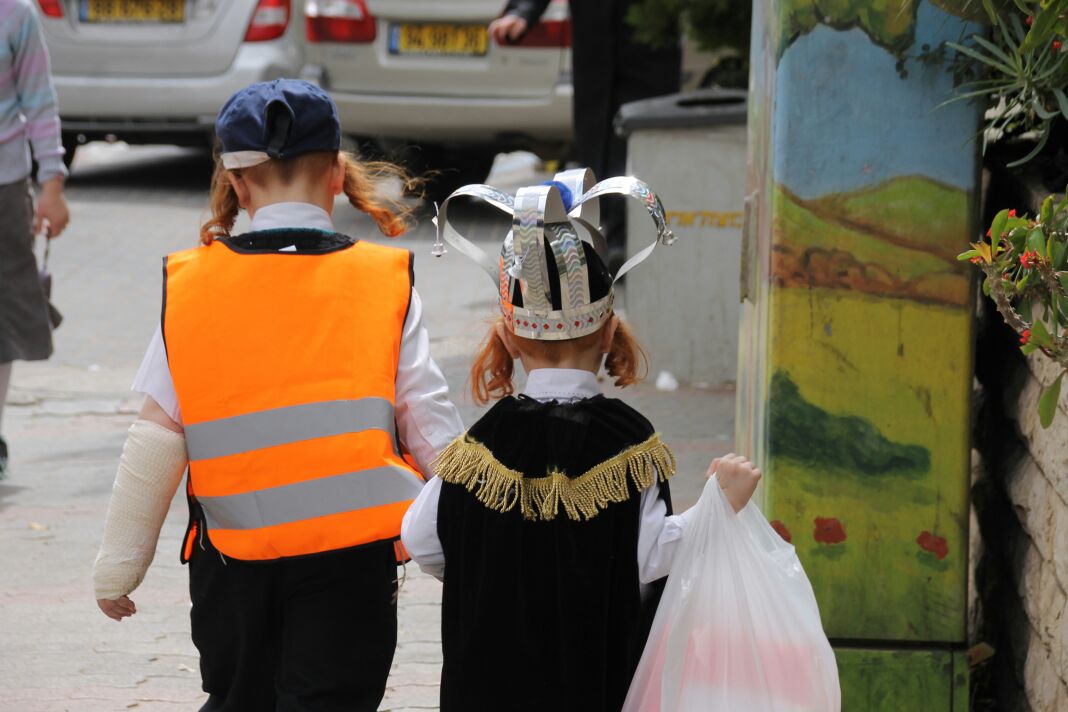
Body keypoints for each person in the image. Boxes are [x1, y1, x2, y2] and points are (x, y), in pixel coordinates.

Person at [91, 79, 463, 711]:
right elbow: (429, 426)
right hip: (351, 568)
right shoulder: (383, 284)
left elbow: (157, 436)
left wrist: (118, 567)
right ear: (338, 175)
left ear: (237, 184)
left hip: (231, 568)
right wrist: (471, 540)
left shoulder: (193, 288)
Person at [402, 173, 761, 711]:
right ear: (612, 332)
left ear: (505, 339)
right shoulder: (630, 443)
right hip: (588, 683)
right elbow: (650, 561)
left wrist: (494, 569)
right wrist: (717, 508)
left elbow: (422, 537)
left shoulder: (480, 445)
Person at [489, 0, 680, 260]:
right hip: (596, 54)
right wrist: (521, 11)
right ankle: (602, 242)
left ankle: (637, 240)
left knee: (642, 152)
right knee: (595, 150)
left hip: (649, 50)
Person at [0, 0, 71, 479]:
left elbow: (38, 102)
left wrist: (52, 187)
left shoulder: (16, 14)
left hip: (4, 187)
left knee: (2, 319)